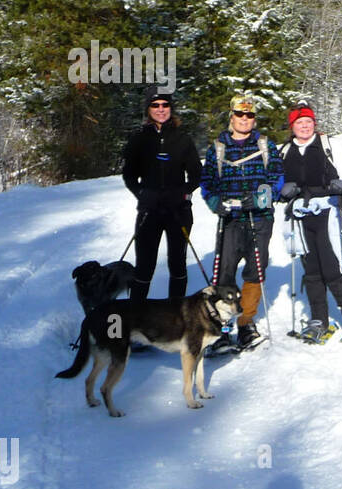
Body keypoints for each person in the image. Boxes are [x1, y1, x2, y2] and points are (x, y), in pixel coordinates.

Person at [277, 102, 342, 344]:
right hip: (299, 214)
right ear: (292, 126)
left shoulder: (328, 145)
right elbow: (275, 181)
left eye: (308, 122)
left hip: (328, 211)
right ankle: (319, 320)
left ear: (314, 124)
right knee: (312, 269)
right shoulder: (285, 150)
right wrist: (282, 190)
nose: (304, 126)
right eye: (299, 123)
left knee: (331, 267)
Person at [200, 94, 285, 351]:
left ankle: (246, 323)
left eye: (249, 115)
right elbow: (207, 183)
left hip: (259, 218)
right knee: (224, 272)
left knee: (255, 270)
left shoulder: (265, 145)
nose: (244, 119)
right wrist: (217, 203)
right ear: (232, 116)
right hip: (230, 219)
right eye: (240, 114)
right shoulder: (217, 147)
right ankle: (223, 327)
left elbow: (278, 177)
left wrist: (261, 198)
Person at [120, 88, 202, 301]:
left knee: (177, 263)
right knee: (145, 265)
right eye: (155, 105)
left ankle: (175, 316)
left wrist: (182, 193)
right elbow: (129, 175)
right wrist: (142, 194)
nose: (161, 109)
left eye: (165, 105)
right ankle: (135, 316)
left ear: (171, 108)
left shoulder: (183, 138)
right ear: (148, 109)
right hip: (150, 210)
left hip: (178, 211)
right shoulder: (139, 139)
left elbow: (196, 175)